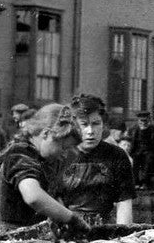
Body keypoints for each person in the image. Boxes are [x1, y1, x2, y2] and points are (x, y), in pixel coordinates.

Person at [0, 103, 93, 237]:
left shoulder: (48, 160)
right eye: (63, 147)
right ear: (46, 133)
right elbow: (33, 196)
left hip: (33, 236)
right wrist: (72, 219)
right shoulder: (19, 154)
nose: (64, 155)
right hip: (9, 238)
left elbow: (54, 197)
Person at [53, 94, 135, 226]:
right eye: (84, 124)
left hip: (103, 229)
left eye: (96, 124)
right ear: (73, 126)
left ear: (103, 125)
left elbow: (124, 203)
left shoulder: (117, 155)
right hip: (65, 227)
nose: (90, 131)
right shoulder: (61, 154)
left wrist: (122, 237)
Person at [127, 110, 154, 188]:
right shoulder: (134, 129)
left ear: (149, 120)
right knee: (135, 159)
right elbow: (131, 142)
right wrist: (131, 152)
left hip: (150, 150)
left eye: (145, 120)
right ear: (138, 121)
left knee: (148, 160)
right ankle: (136, 182)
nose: (143, 123)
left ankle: (145, 182)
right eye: (141, 120)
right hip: (138, 150)